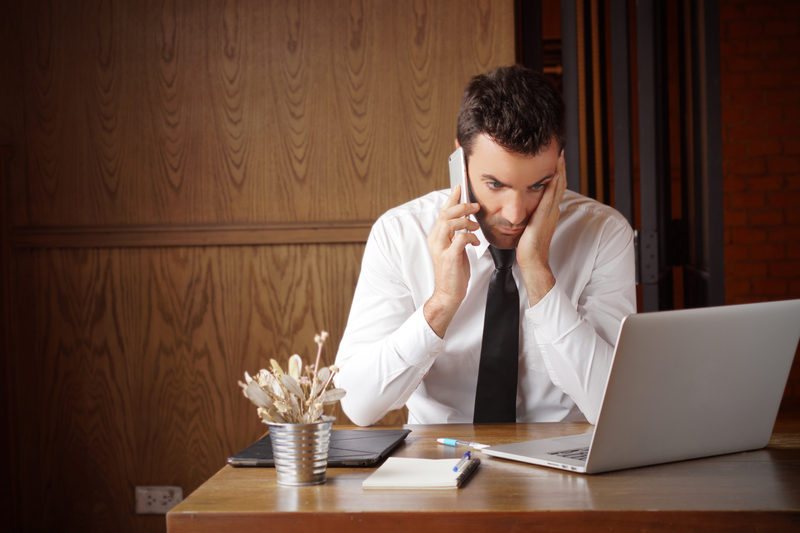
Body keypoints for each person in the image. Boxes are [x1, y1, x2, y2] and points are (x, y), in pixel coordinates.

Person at [334, 65, 636, 426]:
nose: (515, 213)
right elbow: (358, 406)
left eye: (538, 185)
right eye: (495, 185)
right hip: (438, 461)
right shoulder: (400, 234)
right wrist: (441, 303)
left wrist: (538, 272)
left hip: (561, 463)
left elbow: (614, 408)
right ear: (459, 159)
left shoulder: (603, 233)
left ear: (560, 163)